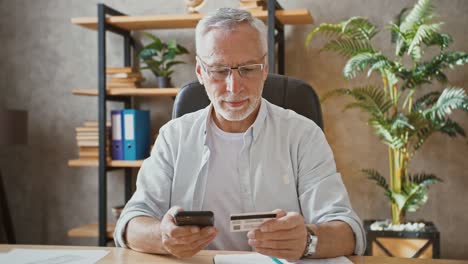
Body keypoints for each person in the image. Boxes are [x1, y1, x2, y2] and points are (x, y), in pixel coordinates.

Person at [114, 7, 365, 261]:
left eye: (247, 69)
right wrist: (163, 236)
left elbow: (349, 232)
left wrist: (308, 240)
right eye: (219, 71)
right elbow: (130, 225)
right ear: (200, 72)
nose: (234, 87)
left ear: (265, 68)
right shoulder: (173, 137)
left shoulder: (303, 135)